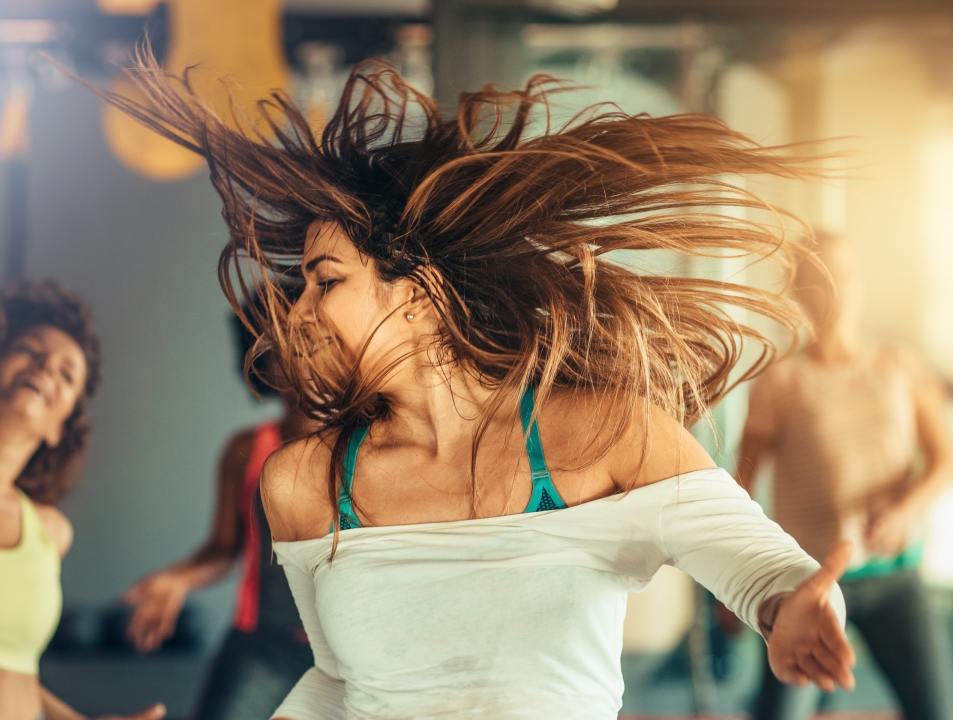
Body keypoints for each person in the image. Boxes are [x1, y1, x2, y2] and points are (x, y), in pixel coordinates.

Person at [82, 53, 859, 720]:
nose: (302, 314)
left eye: (325, 282)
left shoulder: (607, 434)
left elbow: (765, 573)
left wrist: (791, 613)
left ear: (418, 293)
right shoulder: (305, 482)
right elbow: (344, 684)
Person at [737, 232, 953, 720]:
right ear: (799, 292)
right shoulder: (781, 382)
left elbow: (944, 461)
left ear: (860, 284)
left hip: (894, 576)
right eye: (820, 278)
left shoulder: (899, 366)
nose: (836, 289)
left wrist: (905, 510)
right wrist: (729, 587)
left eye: (846, 275)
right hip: (809, 581)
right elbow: (741, 486)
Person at [122, 302, 319, 720]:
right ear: (261, 368)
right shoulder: (246, 450)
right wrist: (177, 579)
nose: (302, 351)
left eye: (309, 336)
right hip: (262, 645)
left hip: (348, 653)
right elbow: (222, 549)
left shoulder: (372, 445)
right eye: (282, 345)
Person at [0, 279, 165, 720]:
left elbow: (15, 675)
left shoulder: (49, 533)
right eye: (30, 350)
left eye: (66, 373)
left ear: (59, 426)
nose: (47, 366)